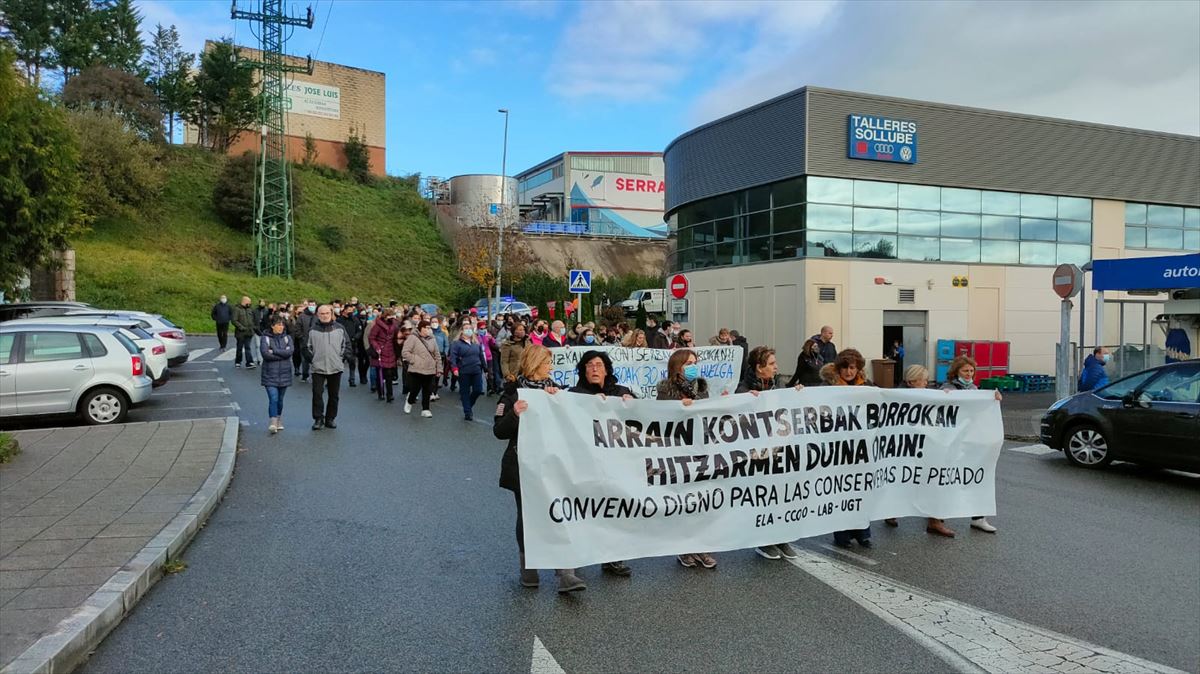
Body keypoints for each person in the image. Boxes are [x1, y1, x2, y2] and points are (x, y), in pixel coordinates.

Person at [493, 345, 581, 592]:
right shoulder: (511, 392)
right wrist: (514, 414)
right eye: (546, 363)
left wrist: (560, 402)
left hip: (554, 465)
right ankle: (528, 568)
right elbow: (499, 431)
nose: (550, 368)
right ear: (534, 364)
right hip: (523, 466)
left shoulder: (556, 390)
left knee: (560, 512)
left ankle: (565, 573)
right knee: (528, 517)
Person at [569, 350, 636, 580]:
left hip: (615, 465)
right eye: (589, 365)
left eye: (599, 364)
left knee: (615, 510)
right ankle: (577, 556)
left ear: (607, 370)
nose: (595, 369)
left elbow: (641, 420)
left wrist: (631, 404)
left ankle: (613, 557)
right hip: (585, 464)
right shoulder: (574, 394)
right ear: (583, 370)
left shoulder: (621, 392)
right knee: (585, 510)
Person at [736, 346, 802, 560]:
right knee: (762, 497)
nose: (776, 368)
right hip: (756, 455)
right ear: (759, 367)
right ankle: (763, 541)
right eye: (772, 364)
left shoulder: (778, 386)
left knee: (781, 496)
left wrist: (798, 395)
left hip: (779, 452)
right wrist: (745, 400)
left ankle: (780, 537)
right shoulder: (743, 389)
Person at [656, 349, 717, 569]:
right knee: (684, 501)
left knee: (701, 500)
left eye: (695, 362)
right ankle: (684, 548)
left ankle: (702, 546)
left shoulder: (701, 387)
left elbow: (709, 413)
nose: (693, 366)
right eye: (689, 363)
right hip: (677, 451)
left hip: (700, 449)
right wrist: (679, 407)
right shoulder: (665, 390)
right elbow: (660, 418)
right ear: (677, 366)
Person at [889, 365, 958, 537]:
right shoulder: (898, 396)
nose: (927, 383)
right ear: (912, 382)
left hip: (927, 446)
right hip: (906, 447)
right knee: (902, 479)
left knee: (932, 480)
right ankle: (890, 511)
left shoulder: (929, 394)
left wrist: (947, 397)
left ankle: (934, 521)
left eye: (927, 380)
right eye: (923, 380)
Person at [942, 355, 1000, 534]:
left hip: (972, 441)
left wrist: (994, 398)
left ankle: (978, 518)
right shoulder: (947, 388)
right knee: (946, 479)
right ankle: (936, 516)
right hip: (952, 442)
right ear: (956, 372)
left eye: (971, 371)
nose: (969, 374)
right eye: (965, 371)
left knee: (977, 477)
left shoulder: (976, 390)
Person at [827, 348, 876, 549]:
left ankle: (863, 533)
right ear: (839, 369)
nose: (849, 372)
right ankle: (842, 534)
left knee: (861, 489)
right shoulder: (827, 387)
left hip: (862, 447)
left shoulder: (869, 387)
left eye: (852, 368)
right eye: (845, 368)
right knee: (841, 490)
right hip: (839, 446)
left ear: (858, 369)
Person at [306, 304, 353, 430]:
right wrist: (313, 360)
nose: (325, 315)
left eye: (327, 313)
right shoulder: (312, 330)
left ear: (331, 313)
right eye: (322, 313)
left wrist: (341, 358)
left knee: (334, 395)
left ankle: (330, 418)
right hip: (318, 368)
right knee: (317, 394)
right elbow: (306, 347)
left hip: (335, 367)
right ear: (318, 315)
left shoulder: (340, 328)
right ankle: (318, 419)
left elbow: (347, 345)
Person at [259, 315, 294, 434]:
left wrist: (274, 351)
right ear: (272, 326)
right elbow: (265, 354)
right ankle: (273, 422)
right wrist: (282, 354)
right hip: (270, 374)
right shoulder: (265, 338)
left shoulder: (287, 338)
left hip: (285, 373)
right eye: (278, 324)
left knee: (280, 399)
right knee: (273, 398)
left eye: (282, 324)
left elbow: (289, 352)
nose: (281, 327)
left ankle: (279, 419)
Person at [401, 319, 442, 417]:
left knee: (427, 390)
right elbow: (405, 352)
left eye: (429, 328)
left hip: (430, 368)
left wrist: (439, 368)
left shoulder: (432, 339)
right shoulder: (413, 338)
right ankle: (410, 400)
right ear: (421, 328)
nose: (428, 330)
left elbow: (437, 354)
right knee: (415, 389)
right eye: (426, 328)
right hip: (417, 369)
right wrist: (415, 360)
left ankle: (425, 409)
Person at [448, 319, 487, 420]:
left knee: (478, 390)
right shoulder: (456, 344)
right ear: (461, 331)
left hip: (476, 370)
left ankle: (468, 404)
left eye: (470, 328)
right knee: (464, 392)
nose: (468, 330)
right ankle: (467, 412)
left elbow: (481, 356)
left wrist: (485, 369)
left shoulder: (476, 342)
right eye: (466, 328)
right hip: (464, 370)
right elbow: (453, 357)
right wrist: (454, 368)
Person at [369, 309, 399, 402]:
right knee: (380, 373)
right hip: (381, 352)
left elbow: (396, 337)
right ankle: (381, 393)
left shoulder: (394, 325)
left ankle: (389, 395)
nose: (392, 317)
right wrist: (377, 347)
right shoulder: (378, 326)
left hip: (391, 351)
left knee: (389, 374)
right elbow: (372, 337)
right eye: (390, 315)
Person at [337, 306, 362, 388]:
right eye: (349, 310)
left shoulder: (355, 320)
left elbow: (359, 331)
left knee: (352, 362)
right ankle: (335, 380)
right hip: (340, 344)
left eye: (352, 310)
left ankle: (352, 379)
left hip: (352, 345)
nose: (351, 312)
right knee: (338, 364)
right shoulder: (339, 320)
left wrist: (355, 337)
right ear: (344, 311)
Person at [231, 296, 258, 369]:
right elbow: (234, 320)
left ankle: (249, 362)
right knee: (239, 348)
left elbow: (253, 319)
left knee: (248, 347)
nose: (249, 304)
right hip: (240, 333)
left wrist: (253, 327)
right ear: (244, 301)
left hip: (249, 332)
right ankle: (238, 361)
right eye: (248, 302)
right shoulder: (237, 309)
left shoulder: (250, 309)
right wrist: (241, 327)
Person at [297, 300, 317, 382]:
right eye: (310, 305)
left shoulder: (318, 315)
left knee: (316, 359)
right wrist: (302, 337)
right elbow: (297, 328)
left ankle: (316, 375)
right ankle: (305, 375)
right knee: (305, 359)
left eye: (313, 305)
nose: (312, 306)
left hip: (316, 342)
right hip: (305, 341)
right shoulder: (302, 316)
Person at [431, 317, 449, 400]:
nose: (434, 323)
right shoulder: (428, 333)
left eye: (436, 321)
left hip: (440, 356)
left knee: (438, 374)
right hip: (430, 356)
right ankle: (431, 392)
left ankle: (435, 392)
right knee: (431, 374)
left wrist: (445, 352)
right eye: (432, 322)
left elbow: (447, 345)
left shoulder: (442, 333)